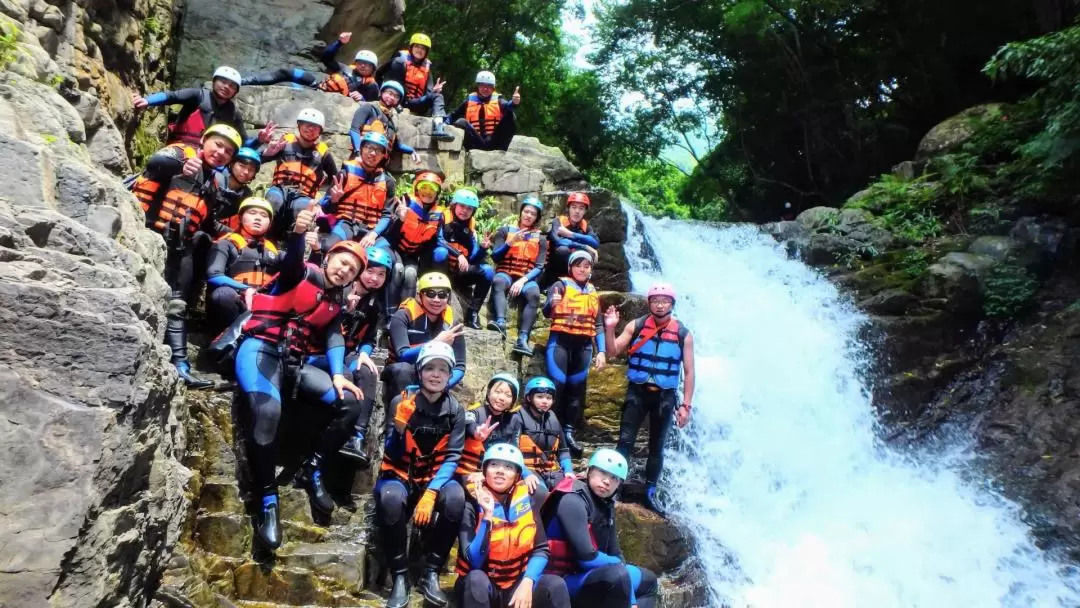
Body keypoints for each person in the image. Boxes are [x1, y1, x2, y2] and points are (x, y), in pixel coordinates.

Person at [234, 207, 365, 549]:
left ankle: (313, 468)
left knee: (349, 403)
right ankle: (267, 499)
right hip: (260, 349)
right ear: (329, 257)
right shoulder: (302, 273)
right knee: (268, 414)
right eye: (342, 262)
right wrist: (296, 233)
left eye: (352, 270)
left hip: (295, 363)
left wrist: (338, 375)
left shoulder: (336, 303)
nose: (344, 270)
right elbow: (291, 263)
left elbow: (335, 338)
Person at [129, 123, 243, 388]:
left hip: (178, 247)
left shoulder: (212, 182)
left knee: (177, 304)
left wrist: (237, 236)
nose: (221, 152)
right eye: (218, 145)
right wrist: (179, 166)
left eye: (228, 151)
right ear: (204, 141)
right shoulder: (181, 154)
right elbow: (155, 164)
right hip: (146, 237)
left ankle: (181, 365)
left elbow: (209, 223)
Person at [376, 341, 467, 608]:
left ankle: (431, 572)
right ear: (419, 371)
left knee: (455, 499)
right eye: (430, 368)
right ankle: (400, 576)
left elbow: (453, 456)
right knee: (390, 499)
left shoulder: (455, 411)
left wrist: (431, 493)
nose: (436, 374)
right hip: (400, 474)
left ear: (450, 375)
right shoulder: (400, 402)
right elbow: (391, 454)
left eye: (442, 369)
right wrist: (400, 428)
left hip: (432, 477)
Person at [603, 283, 695, 512]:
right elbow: (613, 351)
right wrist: (610, 328)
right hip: (638, 392)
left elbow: (690, 372)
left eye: (665, 301)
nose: (660, 304)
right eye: (656, 300)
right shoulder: (637, 325)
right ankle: (614, 486)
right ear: (649, 303)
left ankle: (650, 492)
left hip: (665, 396)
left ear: (672, 305)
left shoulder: (683, 334)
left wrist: (686, 406)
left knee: (657, 446)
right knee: (624, 441)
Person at [454, 444, 571, 608]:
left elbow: (541, 550)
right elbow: (474, 561)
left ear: (517, 475)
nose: (500, 471)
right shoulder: (471, 503)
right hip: (483, 587)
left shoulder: (527, 500)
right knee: (476, 580)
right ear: (484, 471)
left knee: (555, 585)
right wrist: (487, 517)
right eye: (494, 465)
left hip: (516, 584)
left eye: (508, 467)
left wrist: (528, 581)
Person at [540, 449, 658, 608]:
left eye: (614, 478)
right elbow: (586, 557)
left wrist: (631, 599)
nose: (607, 481)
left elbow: (615, 551)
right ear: (589, 471)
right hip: (561, 579)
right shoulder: (572, 500)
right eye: (602, 472)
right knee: (618, 575)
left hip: (590, 574)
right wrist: (617, 566)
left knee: (648, 580)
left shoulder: (606, 504)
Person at [335, 246, 394, 465]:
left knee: (368, 372)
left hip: (350, 351)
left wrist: (365, 354)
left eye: (381, 274)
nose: (375, 278)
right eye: (371, 271)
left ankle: (357, 437)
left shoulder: (374, 304)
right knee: (347, 379)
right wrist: (345, 310)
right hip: (325, 351)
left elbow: (368, 338)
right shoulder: (340, 289)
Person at [543, 251, 605, 457]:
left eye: (586, 266)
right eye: (578, 265)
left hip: (584, 346)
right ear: (571, 267)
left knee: (576, 392)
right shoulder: (560, 285)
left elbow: (598, 324)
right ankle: (548, 430)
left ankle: (568, 433)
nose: (582, 269)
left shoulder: (593, 291)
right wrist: (552, 303)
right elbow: (546, 310)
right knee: (557, 386)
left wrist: (602, 351)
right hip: (560, 342)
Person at [382, 272, 466, 404]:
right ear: (420, 296)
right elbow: (402, 355)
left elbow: (460, 367)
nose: (436, 300)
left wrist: (443, 385)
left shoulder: (452, 325)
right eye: (430, 294)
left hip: (435, 376)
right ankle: (401, 416)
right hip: (401, 371)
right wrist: (436, 342)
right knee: (403, 370)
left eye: (442, 294)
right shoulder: (403, 316)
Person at [132, 66, 267, 147]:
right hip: (180, 148)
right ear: (214, 82)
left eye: (232, 86)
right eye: (223, 82)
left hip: (209, 156)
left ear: (235, 92)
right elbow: (171, 96)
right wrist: (147, 101)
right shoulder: (197, 95)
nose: (227, 87)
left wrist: (259, 141)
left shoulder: (233, 114)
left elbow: (243, 143)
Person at [205, 197, 281, 331]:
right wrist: (246, 289)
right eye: (252, 213)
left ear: (270, 224)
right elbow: (214, 275)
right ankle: (229, 339)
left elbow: (299, 269)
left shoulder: (275, 252)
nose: (258, 218)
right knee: (222, 295)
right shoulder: (226, 244)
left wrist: (313, 247)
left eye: (264, 216)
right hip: (235, 301)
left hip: (263, 305)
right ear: (240, 218)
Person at [261, 108, 338, 237]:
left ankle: (293, 243)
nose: (310, 129)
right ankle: (266, 238)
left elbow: (336, 180)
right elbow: (260, 159)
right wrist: (265, 153)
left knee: (301, 209)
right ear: (299, 125)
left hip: (304, 195)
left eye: (315, 127)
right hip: (280, 188)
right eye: (306, 125)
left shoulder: (323, 153)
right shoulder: (285, 142)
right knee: (274, 200)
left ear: (320, 131)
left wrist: (322, 202)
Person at [379, 170, 449, 309]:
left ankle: (406, 312)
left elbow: (433, 242)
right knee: (398, 270)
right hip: (395, 249)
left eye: (432, 189)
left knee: (411, 274)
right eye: (423, 187)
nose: (427, 192)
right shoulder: (405, 203)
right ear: (416, 188)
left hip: (413, 254)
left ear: (437, 193)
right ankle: (389, 313)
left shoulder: (439, 215)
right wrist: (400, 219)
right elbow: (389, 234)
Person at [242, 32, 380, 102]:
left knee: (295, 93)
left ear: (372, 69)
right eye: (361, 62)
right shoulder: (345, 69)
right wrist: (339, 42)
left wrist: (361, 99)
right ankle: (246, 81)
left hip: (334, 101)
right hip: (318, 86)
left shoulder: (371, 85)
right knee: (287, 72)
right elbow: (326, 57)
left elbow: (372, 105)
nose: (362, 65)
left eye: (367, 64)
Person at [488, 195, 547, 356]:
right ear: (521, 213)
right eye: (526, 211)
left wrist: (522, 280)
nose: (528, 215)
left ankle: (522, 339)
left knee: (534, 295)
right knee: (498, 281)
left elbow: (539, 266)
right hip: (506, 273)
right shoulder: (505, 231)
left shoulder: (541, 238)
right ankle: (500, 322)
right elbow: (495, 257)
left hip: (526, 277)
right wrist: (509, 243)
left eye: (533, 214)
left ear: (537, 218)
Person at [321, 131, 398, 251]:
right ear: (361, 149)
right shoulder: (344, 174)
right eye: (369, 148)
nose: (373, 153)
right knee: (328, 247)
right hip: (346, 224)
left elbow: (387, 215)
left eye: (378, 150)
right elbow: (326, 208)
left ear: (384, 155)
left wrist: (373, 234)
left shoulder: (388, 182)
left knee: (388, 258)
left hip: (371, 229)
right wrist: (334, 200)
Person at [375, 32, 454, 142]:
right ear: (411, 47)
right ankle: (394, 103)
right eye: (417, 46)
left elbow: (428, 94)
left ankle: (438, 127)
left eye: (423, 48)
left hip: (415, 103)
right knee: (398, 63)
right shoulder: (400, 60)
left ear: (426, 52)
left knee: (437, 96)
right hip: (398, 99)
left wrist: (434, 91)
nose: (419, 50)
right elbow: (378, 74)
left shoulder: (427, 70)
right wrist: (380, 92)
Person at [438, 188, 493, 330]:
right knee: (441, 252)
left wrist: (482, 248)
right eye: (462, 206)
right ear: (454, 205)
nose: (465, 211)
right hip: (439, 267)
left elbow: (473, 259)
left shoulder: (471, 229)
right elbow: (436, 240)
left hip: (459, 273)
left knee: (487, 271)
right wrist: (458, 254)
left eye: (469, 208)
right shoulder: (442, 218)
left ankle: (472, 314)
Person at [516, 376, 572, 506]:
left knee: (572, 492)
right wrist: (525, 473)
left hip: (551, 470)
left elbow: (563, 450)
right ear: (529, 398)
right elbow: (512, 450)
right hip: (527, 469)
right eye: (540, 397)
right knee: (539, 493)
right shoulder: (518, 417)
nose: (545, 401)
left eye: (548, 398)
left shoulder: (553, 418)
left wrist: (568, 471)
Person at [457, 373, 522, 479]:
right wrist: (476, 433)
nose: (501, 398)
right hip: (469, 472)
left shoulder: (514, 420)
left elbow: (515, 450)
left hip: (498, 474)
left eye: (508, 395)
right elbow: (469, 424)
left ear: (512, 401)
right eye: (497, 392)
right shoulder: (475, 413)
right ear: (488, 392)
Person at [349, 81, 420, 164]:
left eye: (396, 96)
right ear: (381, 92)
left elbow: (396, 146)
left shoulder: (392, 122)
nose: (392, 97)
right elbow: (354, 129)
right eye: (389, 93)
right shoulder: (369, 108)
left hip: (378, 165)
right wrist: (358, 153)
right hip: (361, 159)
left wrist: (412, 151)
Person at [447, 71, 521, 151]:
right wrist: (442, 122)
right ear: (478, 86)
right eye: (482, 86)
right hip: (475, 142)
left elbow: (508, 106)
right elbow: (453, 115)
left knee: (510, 115)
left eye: (489, 86)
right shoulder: (469, 100)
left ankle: (502, 150)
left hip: (495, 142)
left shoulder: (499, 100)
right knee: (461, 122)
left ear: (493, 88)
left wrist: (514, 103)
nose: (485, 89)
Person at [543, 193, 599, 289]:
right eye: (574, 207)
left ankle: (580, 283)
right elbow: (559, 241)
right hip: (554, 267)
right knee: (563, 250)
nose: (577, 211)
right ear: (568, 208)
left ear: (585, 211)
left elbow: (595, 243)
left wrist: (571, 234)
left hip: (575, 266)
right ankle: (553, 284)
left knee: (590, 254)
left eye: (581, 208)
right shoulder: (558, 222)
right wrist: (584, 246)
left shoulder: (586, 226)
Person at [212, 147, 263, 233]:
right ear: (231, 164)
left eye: (251, 170)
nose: (246, 172)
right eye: (242, 166)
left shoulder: (247, 196)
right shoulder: (214, 180)